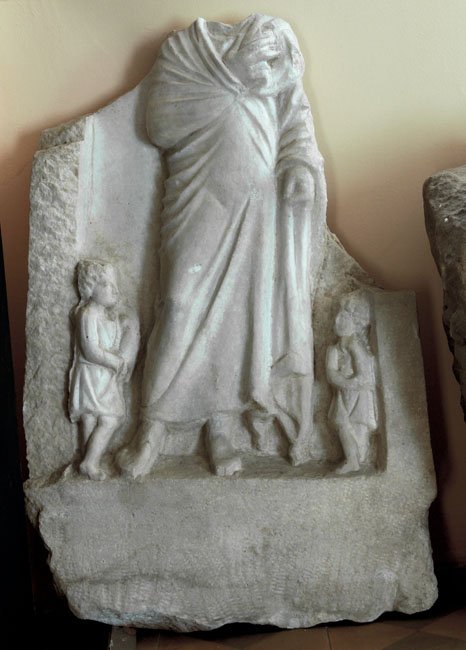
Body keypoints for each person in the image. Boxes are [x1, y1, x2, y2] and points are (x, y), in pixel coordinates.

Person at [118, 15, 326, 478]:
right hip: (199, 201)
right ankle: (151, 426)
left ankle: (221, 428)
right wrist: (234, 78)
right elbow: (160, 125)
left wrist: (297, 167)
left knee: (238, 318)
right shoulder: (184, 50)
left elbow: (296, 124)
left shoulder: (274, 58)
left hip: (257, 211)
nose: (267, 63)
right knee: (178, 303)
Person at [69, 260, 139, 480]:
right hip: (93, 374)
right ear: (90, 288)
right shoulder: (88, 313)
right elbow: (90, 349)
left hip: (101, 376)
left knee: (91, 418)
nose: (115, 290)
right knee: (111, 419)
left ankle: (89, 461)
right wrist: (116, 362)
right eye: (107, 284)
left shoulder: (106, 315)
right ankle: (90, 462)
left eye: (115, 284)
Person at [326, 290, 378, 474]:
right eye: (337, 315)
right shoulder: (334, 348)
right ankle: (353, 460)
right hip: (344, 391)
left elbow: (365, 375)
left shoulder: (354, 345)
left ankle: (355, 459)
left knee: (354, 425)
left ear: (356, 322)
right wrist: (344, 383)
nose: (337, 320)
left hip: (358, 392)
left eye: (344, 317)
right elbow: (330, 373)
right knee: (340, 422)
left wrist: (351, 384)